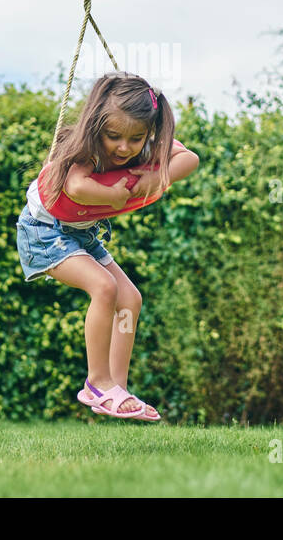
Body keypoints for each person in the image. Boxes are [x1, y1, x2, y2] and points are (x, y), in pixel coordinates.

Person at [16, 72, 199, 420]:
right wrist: (113, 195)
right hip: (44, 230)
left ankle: (116, 386)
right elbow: (75, 187)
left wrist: (157, 176)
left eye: (136, 138)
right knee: (104, 287)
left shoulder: (146, 144)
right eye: (113, 136)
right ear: (97, 124)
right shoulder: (85, 148)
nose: (124, 148)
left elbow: (190, 159)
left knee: (130, 299)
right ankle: (97, 382)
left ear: (149, 132)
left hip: (82, 232)